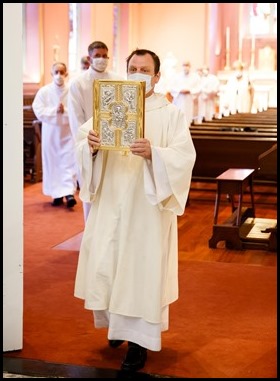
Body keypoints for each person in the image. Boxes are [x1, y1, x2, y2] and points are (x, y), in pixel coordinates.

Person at [74, 48, 196, 372]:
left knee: (140, 273)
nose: (138, 73)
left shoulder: (170, 114)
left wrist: (155, 154)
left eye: (145, 69)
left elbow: (185, 157)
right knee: (110, 264)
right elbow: (83, 139)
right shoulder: (111, 102)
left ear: (157, 76)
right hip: (112, 201)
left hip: (147, 211)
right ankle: (116, 326)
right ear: (125, 71)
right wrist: (91, 147)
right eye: (133, 67)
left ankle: (138, 343)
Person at [68, 41, 124, 222]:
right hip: (90, 145)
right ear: (89, 57)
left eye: (105, 55)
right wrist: (88, 141)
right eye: (97, 55)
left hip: (115, 144)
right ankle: (91, 239)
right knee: (92, 191)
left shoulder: (118, 79)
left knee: (114, 192)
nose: (101, 59)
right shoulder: (79, 83)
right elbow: (76, 118)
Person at [32, 62, 77, 208]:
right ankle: (56, 194)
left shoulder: (72, 90)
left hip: (68, 132)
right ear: (52, 74)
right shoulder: (44, 91)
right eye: (56, 72)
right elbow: (38, 109)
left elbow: (77, 109)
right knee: (53, 162)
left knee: (69, 162)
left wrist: (64, 110)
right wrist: (54, 111)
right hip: (51, 133)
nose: (59, 75)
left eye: (62, 72)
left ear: (66, 73)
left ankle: (69, 193)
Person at [169, 61, 201, 127]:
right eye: (184, 65)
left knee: (188, 117)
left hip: (189, 99)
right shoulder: (177, 76)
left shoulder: (195, 77)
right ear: (182, 66)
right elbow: (172, 87)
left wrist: (190, 91)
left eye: (187, 65)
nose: (186, 67)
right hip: (179, 99)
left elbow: (199, 88)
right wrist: (180, 90)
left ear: (190, 66)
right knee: (179, 117)